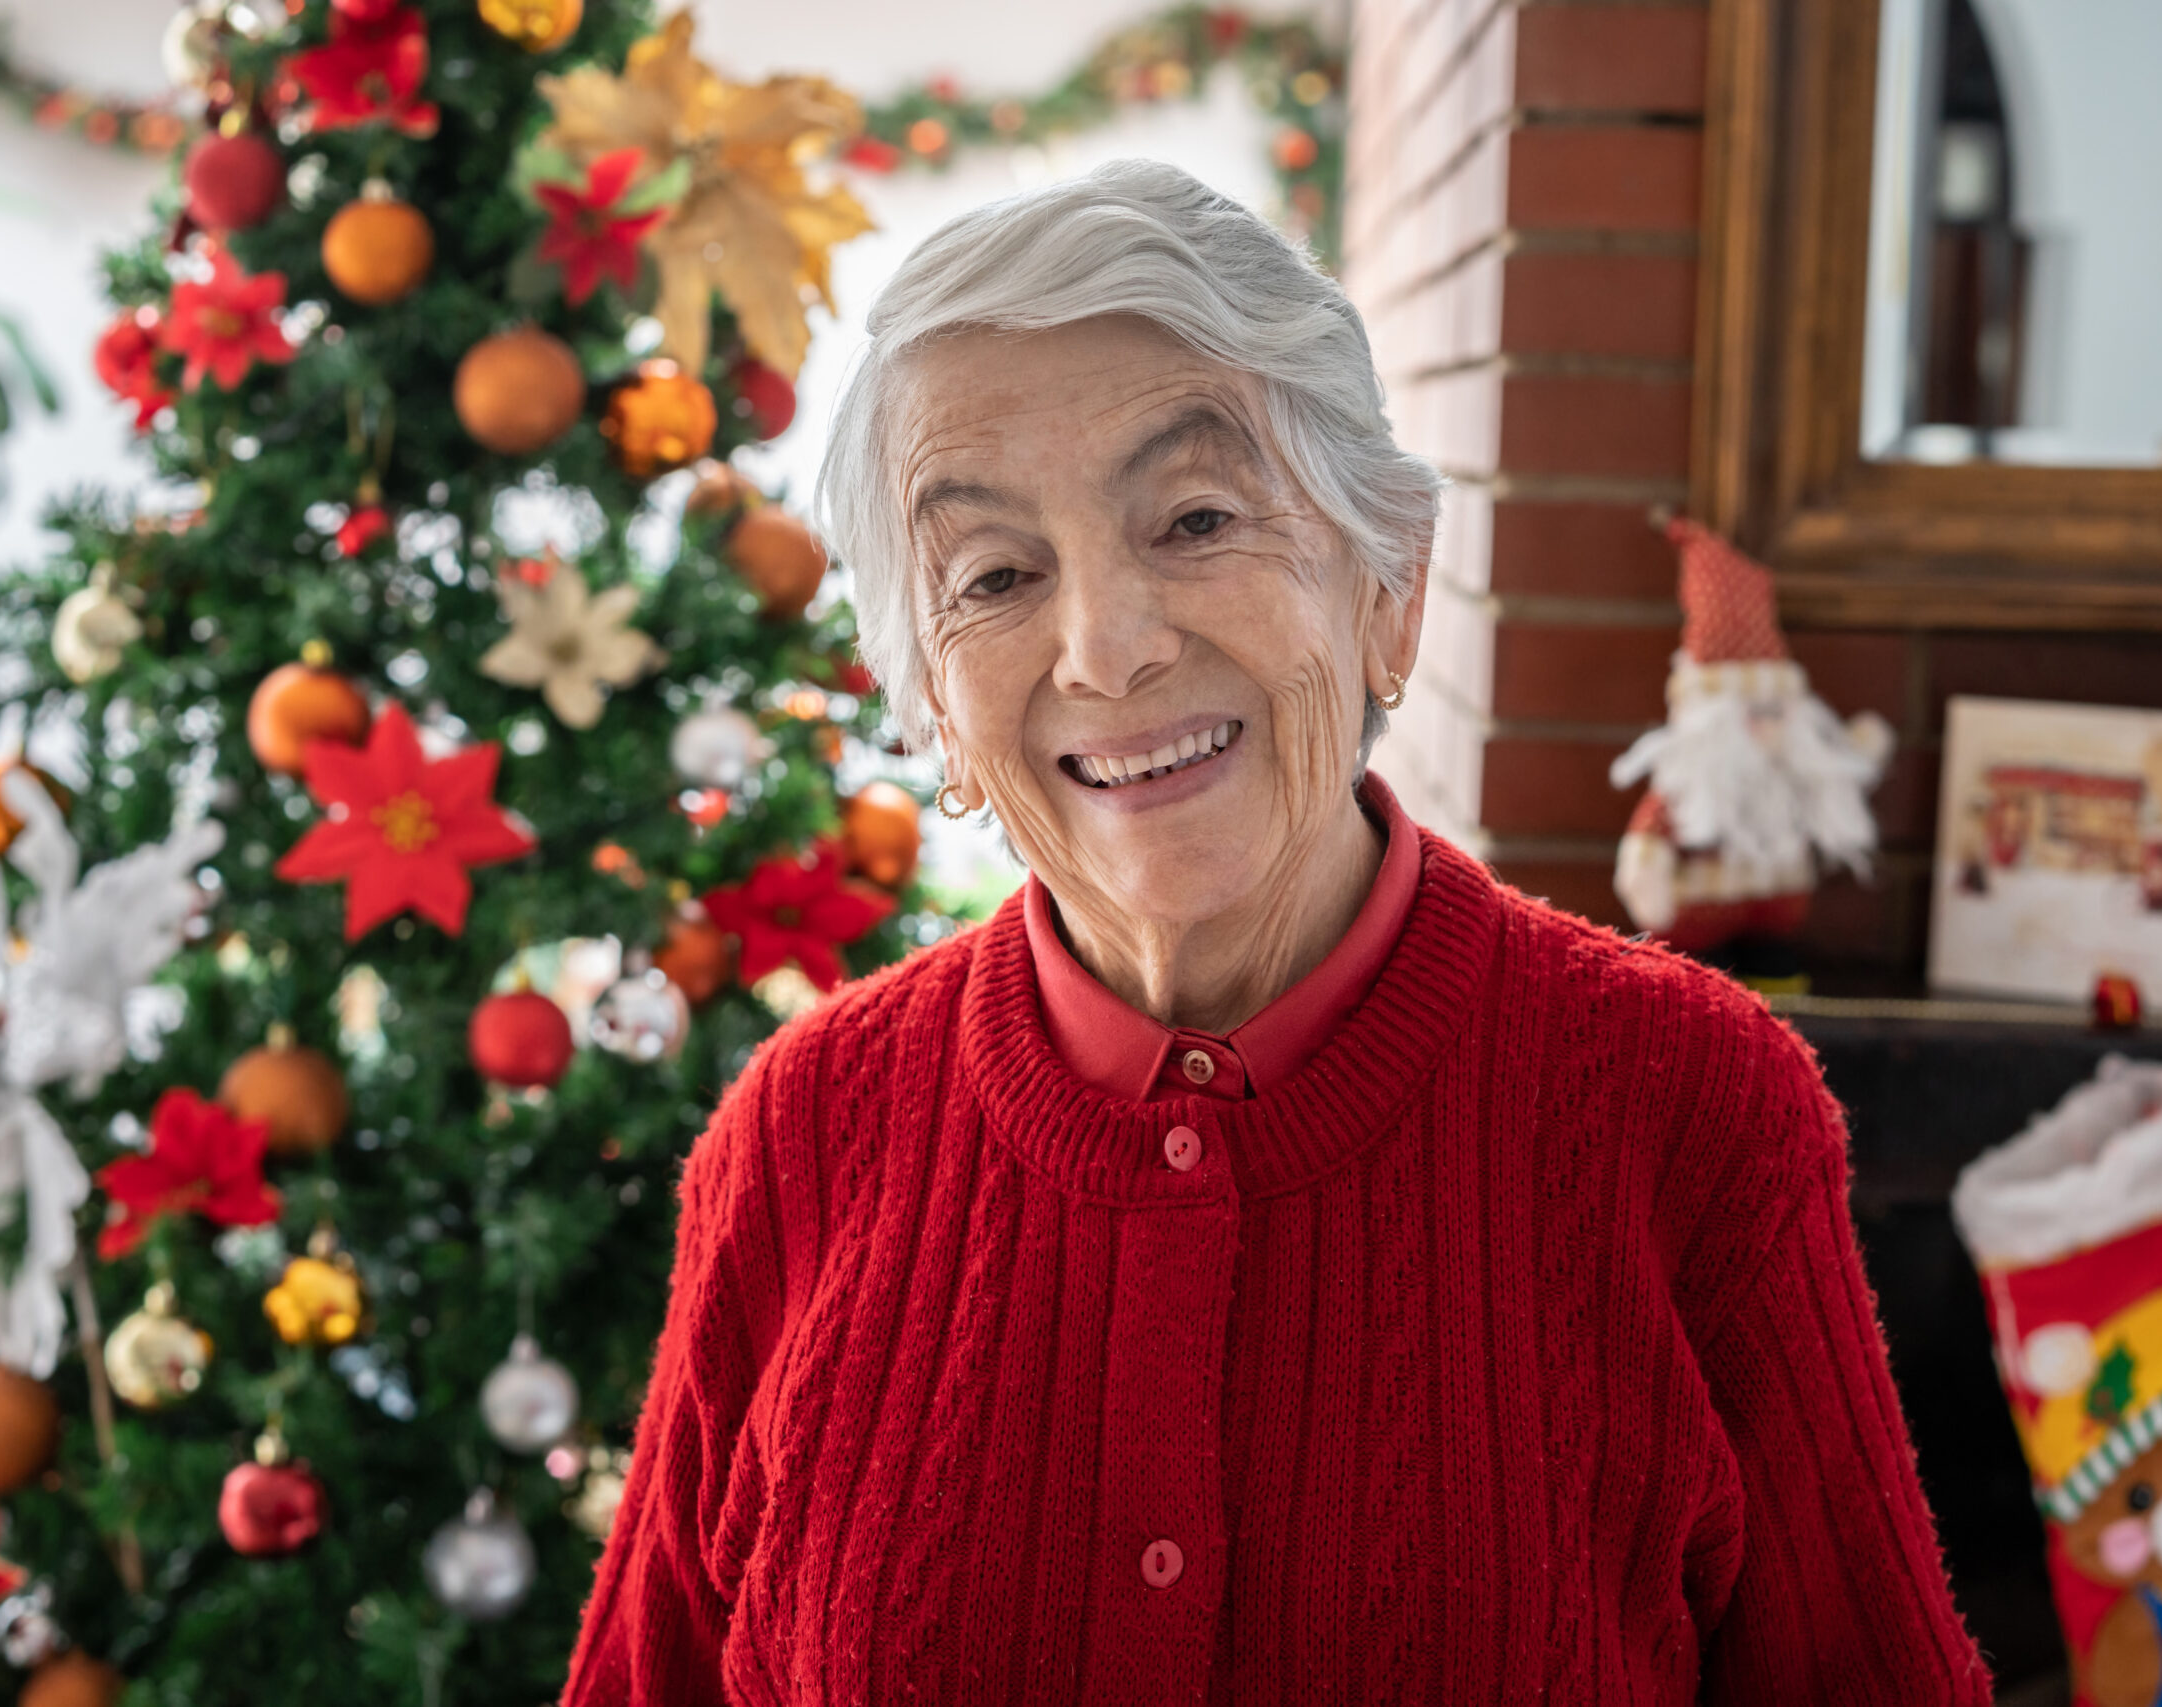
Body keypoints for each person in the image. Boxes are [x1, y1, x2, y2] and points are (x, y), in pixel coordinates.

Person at [561, 159, 1991, 1705]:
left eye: (1192, 518)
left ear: (1390, 593)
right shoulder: (802, 1136)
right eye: (994, 576)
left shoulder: (1690, 1104)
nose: (1106, 648)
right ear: (936, 715)